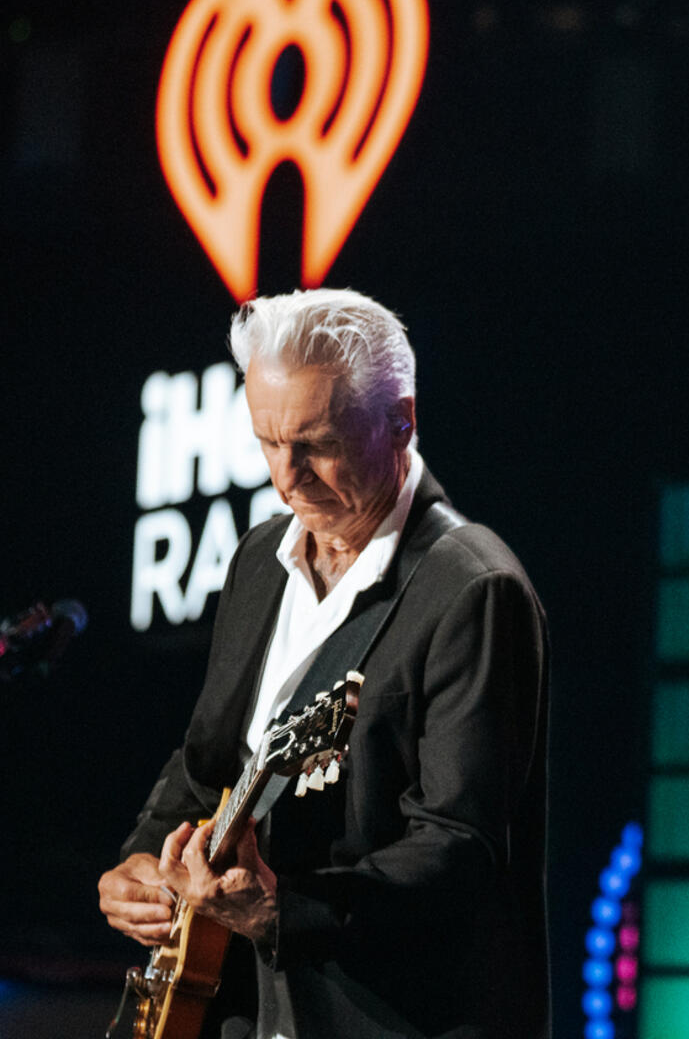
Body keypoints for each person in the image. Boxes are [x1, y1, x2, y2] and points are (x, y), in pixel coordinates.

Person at [98, 289, 550, 1039]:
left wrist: (281, 911)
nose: (286, 476)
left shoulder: (474, 589)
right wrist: (140, 862)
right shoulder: (257, 561)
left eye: (317, 443)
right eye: (267, 441)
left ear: (401, 420)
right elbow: (209, 760)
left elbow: (460, 850)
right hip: (243, 1007)